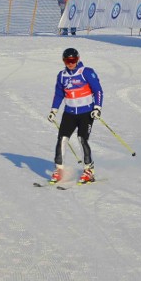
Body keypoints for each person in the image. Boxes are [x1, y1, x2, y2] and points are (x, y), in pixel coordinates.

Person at [47, 48, 103, 184]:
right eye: (67, 61)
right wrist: (54, 110)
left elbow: (98, 90)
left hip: (86, 113)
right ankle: (59, 170)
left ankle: (88, 170)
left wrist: (97, 107)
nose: (70, 63)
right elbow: (59, 93)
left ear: (77, 59)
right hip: (69, 113)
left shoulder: (86, 72)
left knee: (82, 138)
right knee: (62, 139)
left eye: (72, 60)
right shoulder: (62, 75)